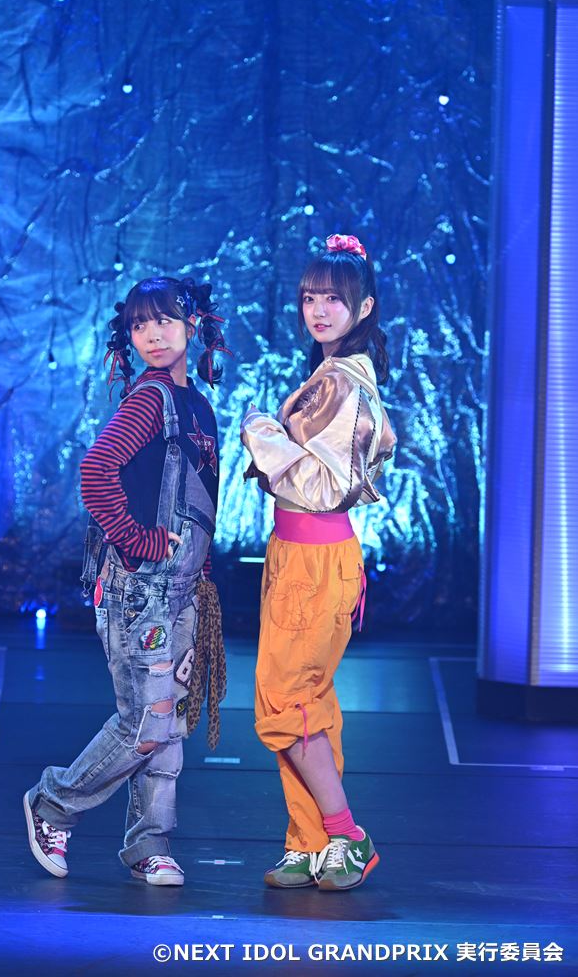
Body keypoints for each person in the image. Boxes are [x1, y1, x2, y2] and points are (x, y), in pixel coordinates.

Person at [24, 275, 228, 886]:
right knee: (145, 723)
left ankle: (149, 845)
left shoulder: (197, 404)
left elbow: (196, 500)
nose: (153, 334)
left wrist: (199, 580)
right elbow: (96, 472)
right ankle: (53, 803)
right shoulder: (150, 399)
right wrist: (139, 542)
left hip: (180, 591)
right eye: (140, 324)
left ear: (193, 324)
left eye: (164, 320)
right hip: (139, 590)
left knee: (169, 725)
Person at [241, 233, 396, 891]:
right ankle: (308, 843)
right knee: (308, 702)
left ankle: (346, 834)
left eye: (334, 298)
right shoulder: (332, 373)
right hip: (299, 551)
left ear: (364, 308)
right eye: (310, 298)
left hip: (313, 553)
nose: (319, 310)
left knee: (284, 701)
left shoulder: (341, 381)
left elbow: (325, 484)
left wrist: (261, 432)